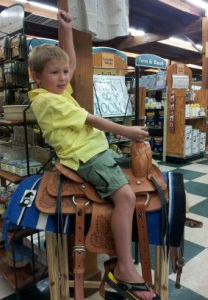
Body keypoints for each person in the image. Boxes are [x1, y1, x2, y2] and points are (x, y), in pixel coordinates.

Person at [28, 9, 159, 300]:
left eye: (63, 73)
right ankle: (125, 267)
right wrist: (128, 132)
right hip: (86, 157)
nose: (63, 78)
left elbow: (71, 63)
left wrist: (66, 30)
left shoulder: (53, 91)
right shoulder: (49, 102)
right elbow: (90, 119)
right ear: (36, 77)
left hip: (95, 149)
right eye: (55, 73)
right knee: (125, 197)